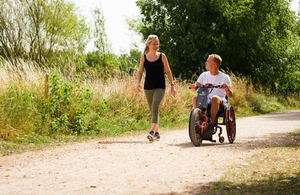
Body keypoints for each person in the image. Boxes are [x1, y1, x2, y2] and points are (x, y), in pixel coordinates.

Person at [137, 35, 176, 141]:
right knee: (152, 110)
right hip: (148, 87)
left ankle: (152, 132)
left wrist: (172, 85)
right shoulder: (144, 58)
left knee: (155, 107)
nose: (156, 46)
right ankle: (157, 132)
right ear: (148, 44)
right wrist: (138, 83)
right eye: (154, 44)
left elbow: (168, 71)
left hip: (160, 86)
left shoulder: (162, 56)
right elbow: (140, 71)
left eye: (157, 44)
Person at [190, 54, 233, 128]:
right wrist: (193, 87)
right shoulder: (204, 75)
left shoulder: (225, 77)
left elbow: (230, 95)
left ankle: (211, 125)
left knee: (214, 98)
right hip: (206, 99)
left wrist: (226, 87)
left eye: (207, 61)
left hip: (220, 100)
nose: (205, 63)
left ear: (214, 64)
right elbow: (195, 88)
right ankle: (198, 120)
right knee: (195, 98)